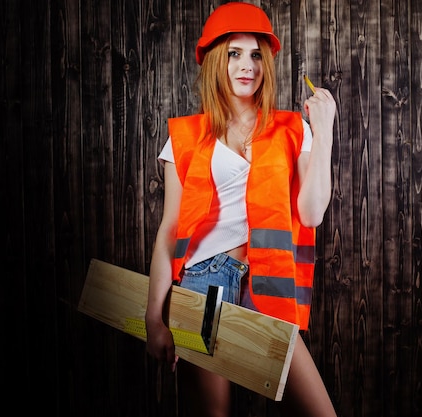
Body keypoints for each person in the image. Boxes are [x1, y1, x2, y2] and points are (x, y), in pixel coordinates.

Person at [145, 3, 337, 416]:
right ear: (217, 60)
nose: (246, 65)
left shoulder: (290, 128)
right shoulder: (186, 136)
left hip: (266, 282)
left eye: (255, 55)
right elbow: (169, 230)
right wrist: (153, 318)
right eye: (234, 53)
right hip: (205, 284)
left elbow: (313, 213)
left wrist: (325, 131)